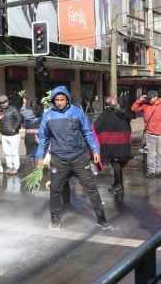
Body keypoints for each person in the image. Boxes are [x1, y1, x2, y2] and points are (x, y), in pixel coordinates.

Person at [36, 86, 111, 230]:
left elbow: (87, 132)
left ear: (67, 99)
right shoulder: (49, 116)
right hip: (59, 160)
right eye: (56, 100)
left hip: (79, 158)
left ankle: (102, 219)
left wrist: (95, 150)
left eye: (62, 99)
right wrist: (40, 156)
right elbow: (44, 138)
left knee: (91, 188)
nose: (59, 102)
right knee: (55, 190)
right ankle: (55, 219)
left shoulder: (77, 112)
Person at [92, 96, 132, 203]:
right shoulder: (122, 114)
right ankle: (117, 184)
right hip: (121, 145)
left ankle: (119, 186)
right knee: (117, 165)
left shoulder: (107, 115)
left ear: (106, 106)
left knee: (116, 165)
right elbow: (128, 128)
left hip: (112, 146)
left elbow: (95, 127)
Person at [131, 89, 161, 178]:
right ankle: (151, 172)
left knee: (160, 153)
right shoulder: (145, 105)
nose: (150, 100)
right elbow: (133, 109)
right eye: (149, 98)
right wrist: (139, 100)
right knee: (151, 154)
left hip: (160, 134)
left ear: (156, 97)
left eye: (151, 98)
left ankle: (159, 171)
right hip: (149, 134)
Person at [0, 95, 22, 175]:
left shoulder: (13, 108)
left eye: (4, 102)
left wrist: (15, 128)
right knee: (7, 152)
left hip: (13, 134)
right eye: (1, 103)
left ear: (7, 101)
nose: (3, 104)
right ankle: (10, 166)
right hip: (4, 134)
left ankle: (15, 167)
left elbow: (19, 119)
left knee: (14, 152)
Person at [20, 98, 43, 171]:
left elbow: (22, 111)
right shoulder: (42, 113)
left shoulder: (27, 112)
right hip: (37, 135)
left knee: (30, 153)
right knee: (38, 152)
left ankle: (33, 168)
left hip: (29, 136)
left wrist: (24, 103)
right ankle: (38, 168)